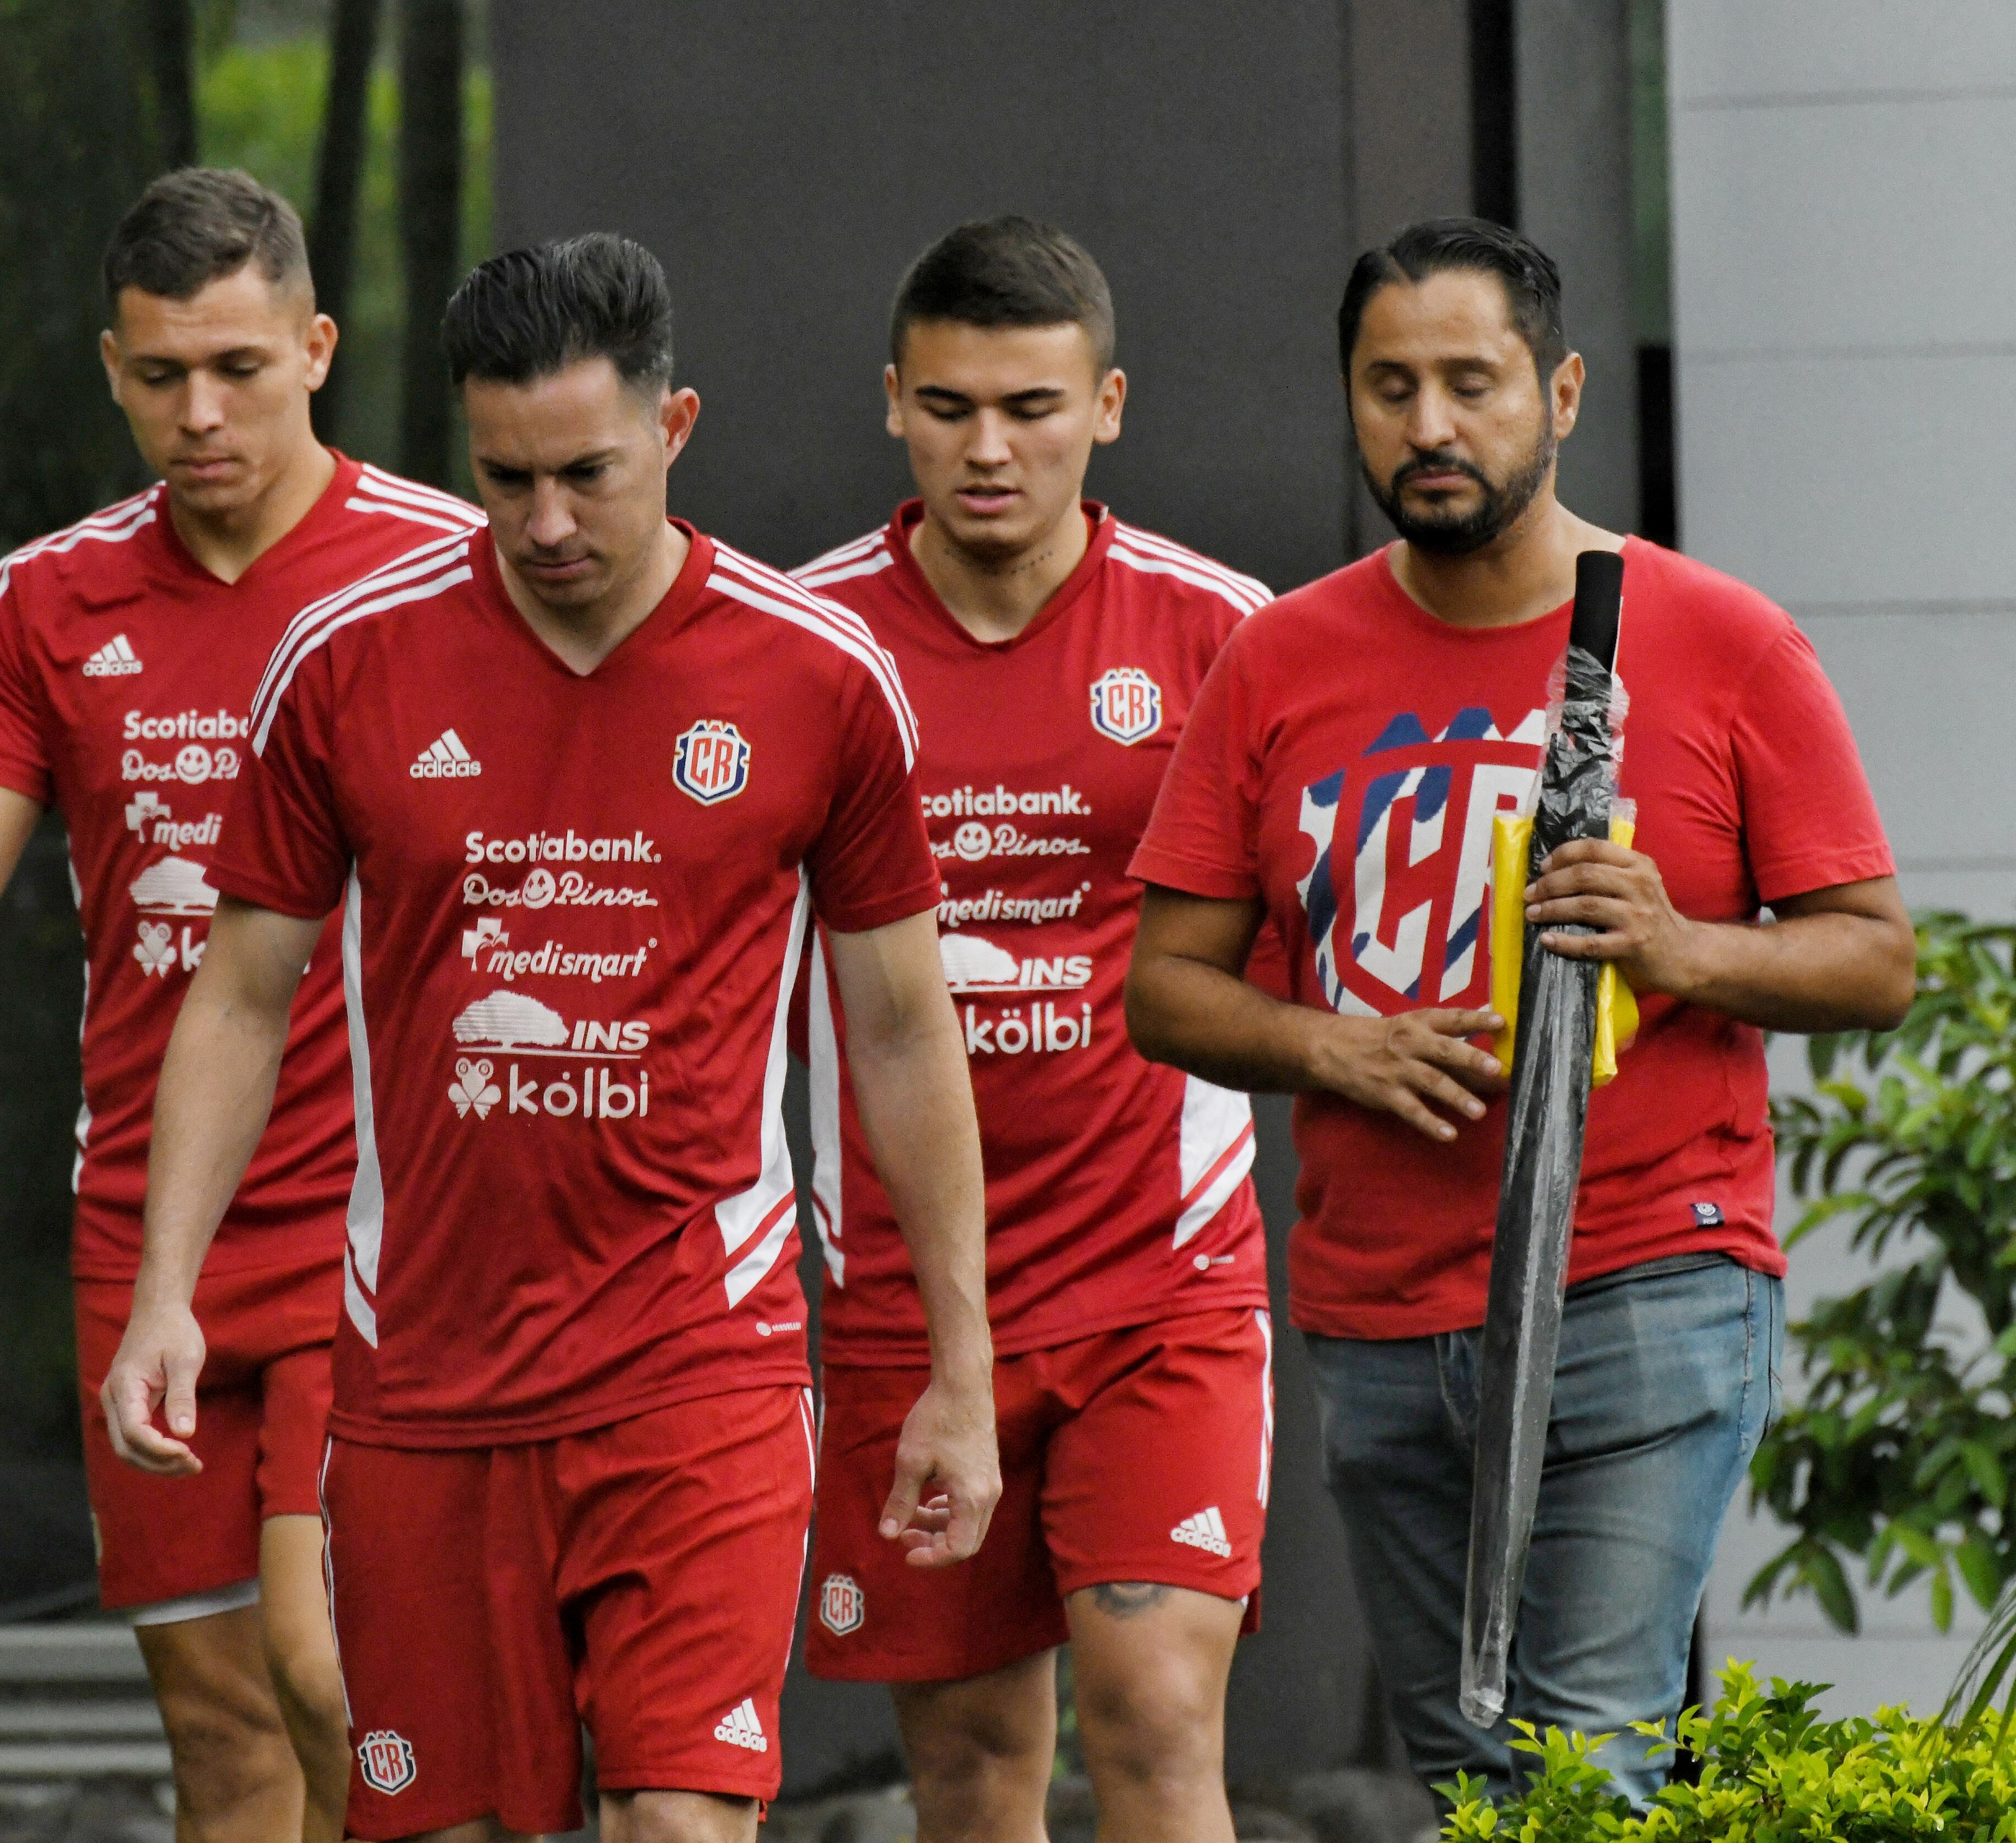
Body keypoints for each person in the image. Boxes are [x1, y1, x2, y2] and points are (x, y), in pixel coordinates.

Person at [103, 232, 1001, 1843]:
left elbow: (898, 1027)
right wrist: (165, 1286)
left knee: (680, 1821)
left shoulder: (816, 672)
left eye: (587, 474)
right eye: (505, 478)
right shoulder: (350, 659)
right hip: (425, 1374)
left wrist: (960, 1367)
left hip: (698, 1363)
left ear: (675, 427)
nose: (547, 524)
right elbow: (238, 993)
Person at [1124, 218, 1913, 1804]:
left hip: (1647, 1280)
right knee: (1474, 1781)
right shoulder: (1278, 660)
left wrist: (1681, 949)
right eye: (1390, 387)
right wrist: (1325, 1044)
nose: (1429, 425)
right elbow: (1164, 987)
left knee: (1585, 1762)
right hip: (1380, 1314)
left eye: (1471, 384)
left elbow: (1873, 959)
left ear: (1560, 393)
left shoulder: (1724, 641)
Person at [0, 168, 475, 1843]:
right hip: (147, 1225)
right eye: (162, 375)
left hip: (382, 1223)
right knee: (224, 1730)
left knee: (335, 1675)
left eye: (240, 370)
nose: (201, 415)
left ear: (316, 351)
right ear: (113, 369)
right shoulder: (53, 599)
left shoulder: (449, 573)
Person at [792, 215, 1271, 1843]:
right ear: (892, 404)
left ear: (1109, 406)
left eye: (1031, 408)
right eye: (948, 408)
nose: (987, 449)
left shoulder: (1226, 634)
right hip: (906, 1296)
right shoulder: (801, 646)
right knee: (974, 1767)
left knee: (1157, 1719)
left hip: (1161, 1281)